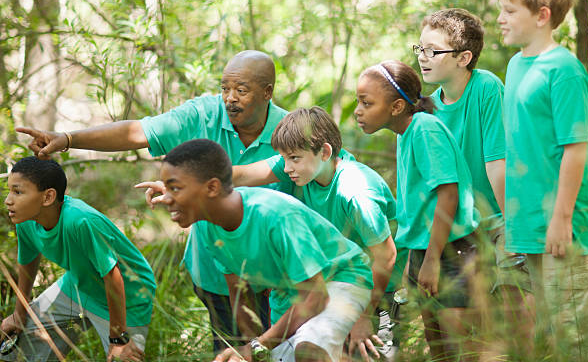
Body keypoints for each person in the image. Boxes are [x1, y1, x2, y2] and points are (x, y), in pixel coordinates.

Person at [16, 50, 287, 352]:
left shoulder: (290, 133)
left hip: (277, 277)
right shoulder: (202, 115)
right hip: (216, 273)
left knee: (280, 351)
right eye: (224, 88)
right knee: (231, 351)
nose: (230, 98)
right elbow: (136, 132)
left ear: (267, 92)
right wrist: (68, 139)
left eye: (241, 90)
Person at [146, 138, 373, 362]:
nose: (166, 199)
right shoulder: (207, 225)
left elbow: (315, 296)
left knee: (309, 349)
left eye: (174, 188)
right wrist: (250, 350)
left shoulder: (274, 216)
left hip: (341, 279)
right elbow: (239, 293)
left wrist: (257, 346)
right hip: (291, 294)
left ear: (212, 187)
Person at [497, 0, 588, 362]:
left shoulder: (563, 71)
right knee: (551, 332)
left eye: (510, 11)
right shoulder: (515, 66)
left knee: (578, 335)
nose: (500, 19)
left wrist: (561, 219)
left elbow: (576, 149)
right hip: (530, 226)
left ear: (542, 15)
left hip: (568, 227)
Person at [232, 106, 397, 360]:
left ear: (325, 152)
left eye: (294, 158)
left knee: (362, 354)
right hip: (332, 279)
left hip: (377, 287)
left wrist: (363, 315)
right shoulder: (303, 167)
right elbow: (241, 175)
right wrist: (180, 186)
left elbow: (385, 256)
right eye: (283, 159)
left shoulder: (355, 191)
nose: (286, 168)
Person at [415, 8, 533, 356]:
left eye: (433, 51)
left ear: (464, 57)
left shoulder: (485, 88)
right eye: (419, 48)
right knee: (465, 325)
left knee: (517, 308)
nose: (423, 57)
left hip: (497, 216)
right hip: (457, 228)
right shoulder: (428, 109)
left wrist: (514, 224)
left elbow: (497, 163)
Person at [354, 60, 480, 361]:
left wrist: (433, 260)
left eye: (366, 102)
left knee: (458, 344)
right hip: (428, 250)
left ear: (397, 106)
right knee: (436, 344)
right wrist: (416, 257)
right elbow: (420, 204)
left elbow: (448, 195)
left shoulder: (425, 129)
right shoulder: (405, 133)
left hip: (452, 250)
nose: (358, 110)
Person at [1, 156, 156, 362]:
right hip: (78, 284)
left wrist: (118, 340)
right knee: (18, 348)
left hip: (128, 297)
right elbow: (28, 261)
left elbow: (113, 277)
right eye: (9, 190)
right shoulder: (26, 219)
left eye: (18, 192)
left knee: (123, 358)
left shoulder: (80, 220)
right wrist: (19, 313)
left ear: (47, 197)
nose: (8, 200)